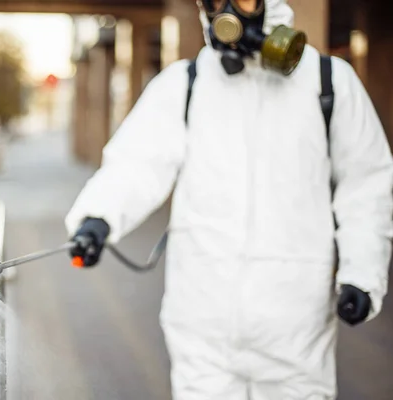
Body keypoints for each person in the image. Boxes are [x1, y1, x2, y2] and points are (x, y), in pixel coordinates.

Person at [65, 0, 393, 399]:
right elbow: (136, 165)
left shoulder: (329, 82)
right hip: (202, 322)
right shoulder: (184, 83)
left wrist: (362, 273)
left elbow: (366, 182)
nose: (226, 8)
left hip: (295, 324)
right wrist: (97, 218)